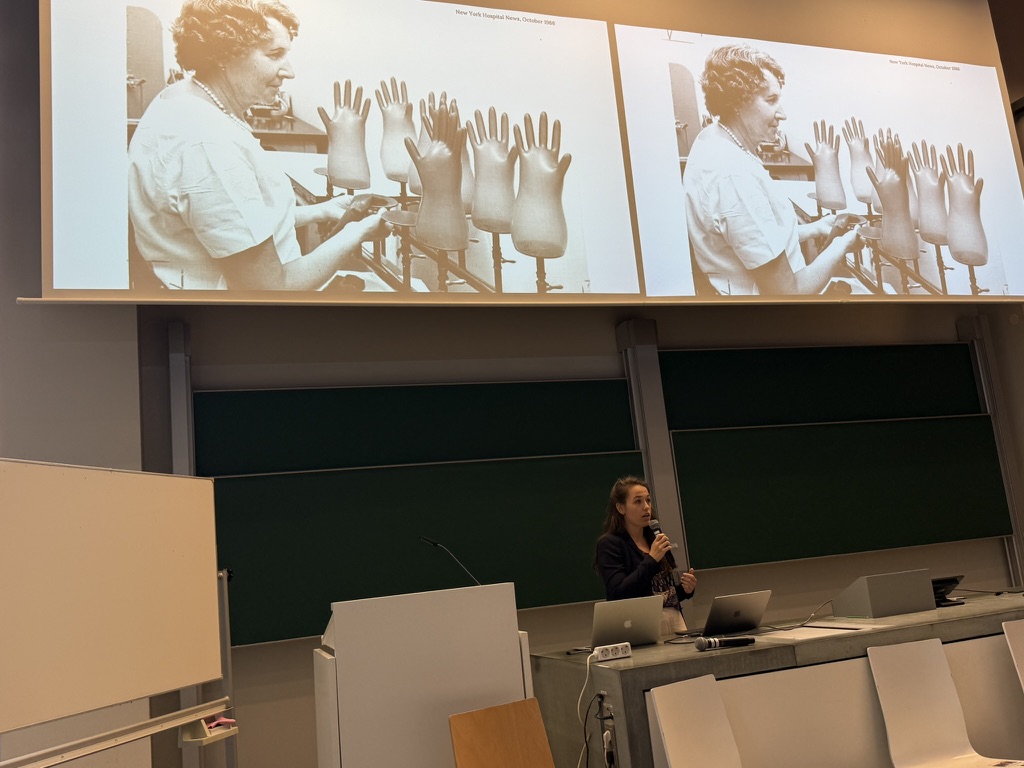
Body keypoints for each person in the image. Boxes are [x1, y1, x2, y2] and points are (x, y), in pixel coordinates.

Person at [128, 0, 388, 290]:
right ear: (224, 55)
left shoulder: (182, 97)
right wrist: (356, 233)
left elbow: (234, 220)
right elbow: (271, 288)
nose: (289, 71)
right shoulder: (209, 144)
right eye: (275, 54)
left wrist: (322, 211)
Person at [683, 44, 861, 295]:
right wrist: (841, 246)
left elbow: (754, 239)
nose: (783, 114)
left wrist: (816, 228)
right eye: (771, 100)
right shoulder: (733, 175)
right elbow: (789, 293)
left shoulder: (714, 139)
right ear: (737, 101)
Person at [595, 476, 697, 635]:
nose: (646, 507)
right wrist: (651, 559)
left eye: (648, 500)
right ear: (621, 508)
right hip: (639, 626)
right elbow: (618, 593)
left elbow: (663, 593)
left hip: (674, 621)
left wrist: (685, 589)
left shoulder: (655, 537)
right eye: (638, 502)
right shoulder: (610, 544)